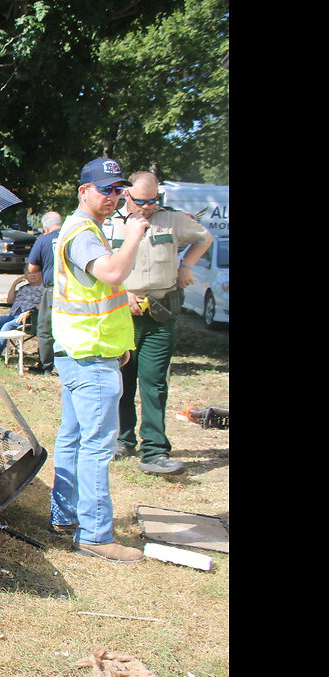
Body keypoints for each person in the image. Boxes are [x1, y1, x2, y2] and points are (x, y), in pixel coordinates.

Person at [49, 158, 149, 564]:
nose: (113, 197)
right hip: (90, 359)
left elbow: (96, 291)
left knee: (73, 438)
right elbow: (110, 273)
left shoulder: (81, 229)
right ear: (83, 191)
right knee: (97, 446)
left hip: (82, 352)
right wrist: (134, 235)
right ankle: (94, 534)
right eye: (105, 189)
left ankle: (65, 516)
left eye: (118, 189)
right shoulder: (83, 233)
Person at [104, 171, 214, 476]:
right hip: (122, 314)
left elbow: (205, 238)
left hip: (160, 314)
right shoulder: (110, 222)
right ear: (127, 195)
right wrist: (121, 292)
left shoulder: (174, 220)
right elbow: (98, 268)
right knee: (122, 383)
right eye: (141, 201)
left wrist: (186, 265)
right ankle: (122, 440)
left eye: (153, 200)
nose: (148, 206)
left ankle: (154, 450)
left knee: (154, 384)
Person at [25, 211, 63, 373]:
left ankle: (46, 365)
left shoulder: (44, 240)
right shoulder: (72, 236)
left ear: (46, 227)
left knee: (45, 328)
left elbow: (33, 268)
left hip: (53, 289)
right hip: (75, 290)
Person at [0, 268, 45, 360]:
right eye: (29, 273)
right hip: (13, 314)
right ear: (25, 275)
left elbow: (43, 305)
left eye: (35, 273)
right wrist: (15, 284)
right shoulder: (23, 288)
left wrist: (30, 312)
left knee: (7, 326)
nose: (32, 275)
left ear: (41, 274)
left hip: (29, 317)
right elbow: (9, 301)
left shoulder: (44, 289)